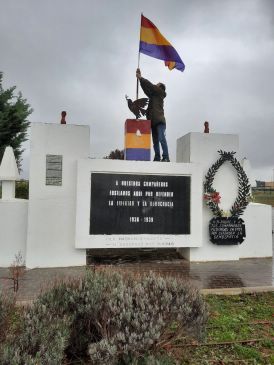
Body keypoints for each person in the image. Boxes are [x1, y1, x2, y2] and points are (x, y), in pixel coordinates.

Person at [136, 68, 170, 162]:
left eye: (157, 85)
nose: (156, 85)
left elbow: (150, 86)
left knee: (161, 138)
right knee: (155, 142)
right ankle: (157, 157)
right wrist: (140, 80)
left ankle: (166, 156)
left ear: (160, 88)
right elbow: (147, 90)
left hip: (159, 121)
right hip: (152, 122)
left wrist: (141, 78)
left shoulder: (160, 93)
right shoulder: (153, 96)